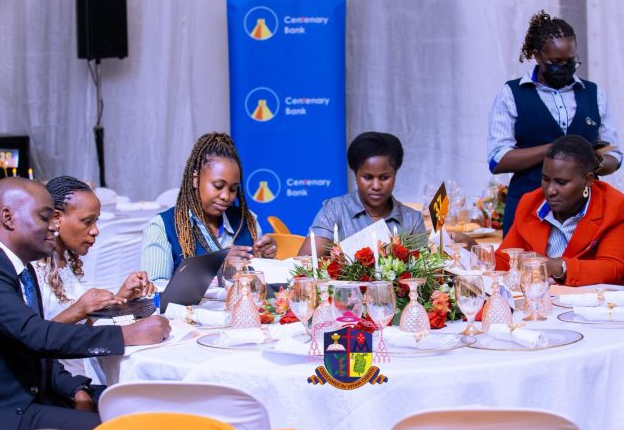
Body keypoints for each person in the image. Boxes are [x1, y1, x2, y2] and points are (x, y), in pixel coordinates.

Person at [0, 178, 170, 430]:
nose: (54, 226)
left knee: (145, 406)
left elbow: (27, 347)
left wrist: (75, 389)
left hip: (31, 394)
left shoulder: (16, 265)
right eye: (44, 217)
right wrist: (126, 335)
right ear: (8, 217)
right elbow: (34, 335)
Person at [487, 10, 624, 235]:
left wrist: (596, 162)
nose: (564, 67)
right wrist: (557, 149)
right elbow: (497, 159)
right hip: (529, 208)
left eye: (571, 62)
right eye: (556, 62)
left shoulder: (594, 93)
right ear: (537, 56)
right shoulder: (512, 93)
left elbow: (615, 157)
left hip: (586, 212)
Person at [33, 176, 156, 375]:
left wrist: (122, 297)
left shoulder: (63, 260)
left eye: (96, 221)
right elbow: (32, 339)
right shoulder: (33, 269)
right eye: (87, 222)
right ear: (56, 218)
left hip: (85, 361)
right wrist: (79, 309)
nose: (96, 231)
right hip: (59, 375)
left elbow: (83, 325)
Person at [494, 135, 624, 286]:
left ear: (588, 180)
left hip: (604, 299)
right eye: (545, 179)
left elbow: (614, 268)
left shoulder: (616, 207)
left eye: (561, 182)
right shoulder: (531, 203)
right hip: (545, 298)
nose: (550, 190)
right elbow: (506, 261)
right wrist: (479, 256)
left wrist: (559, 266)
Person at [142, 132, 277, 285]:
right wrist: (214, 265)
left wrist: (265, 256)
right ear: (195, 179)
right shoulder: (162, 227)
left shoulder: (247, 222)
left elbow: (259, 284)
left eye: (233, 189)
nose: (226, 196)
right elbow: (155, 291)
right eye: (218, 186)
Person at [298, 131, 428, 258]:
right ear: (356, 175)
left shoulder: (411, 219)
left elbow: (423, 268)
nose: (376, 186)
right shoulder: (335, 210)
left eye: (384, 177)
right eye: (368, 177)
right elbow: (305, 261)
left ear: (395, 175)